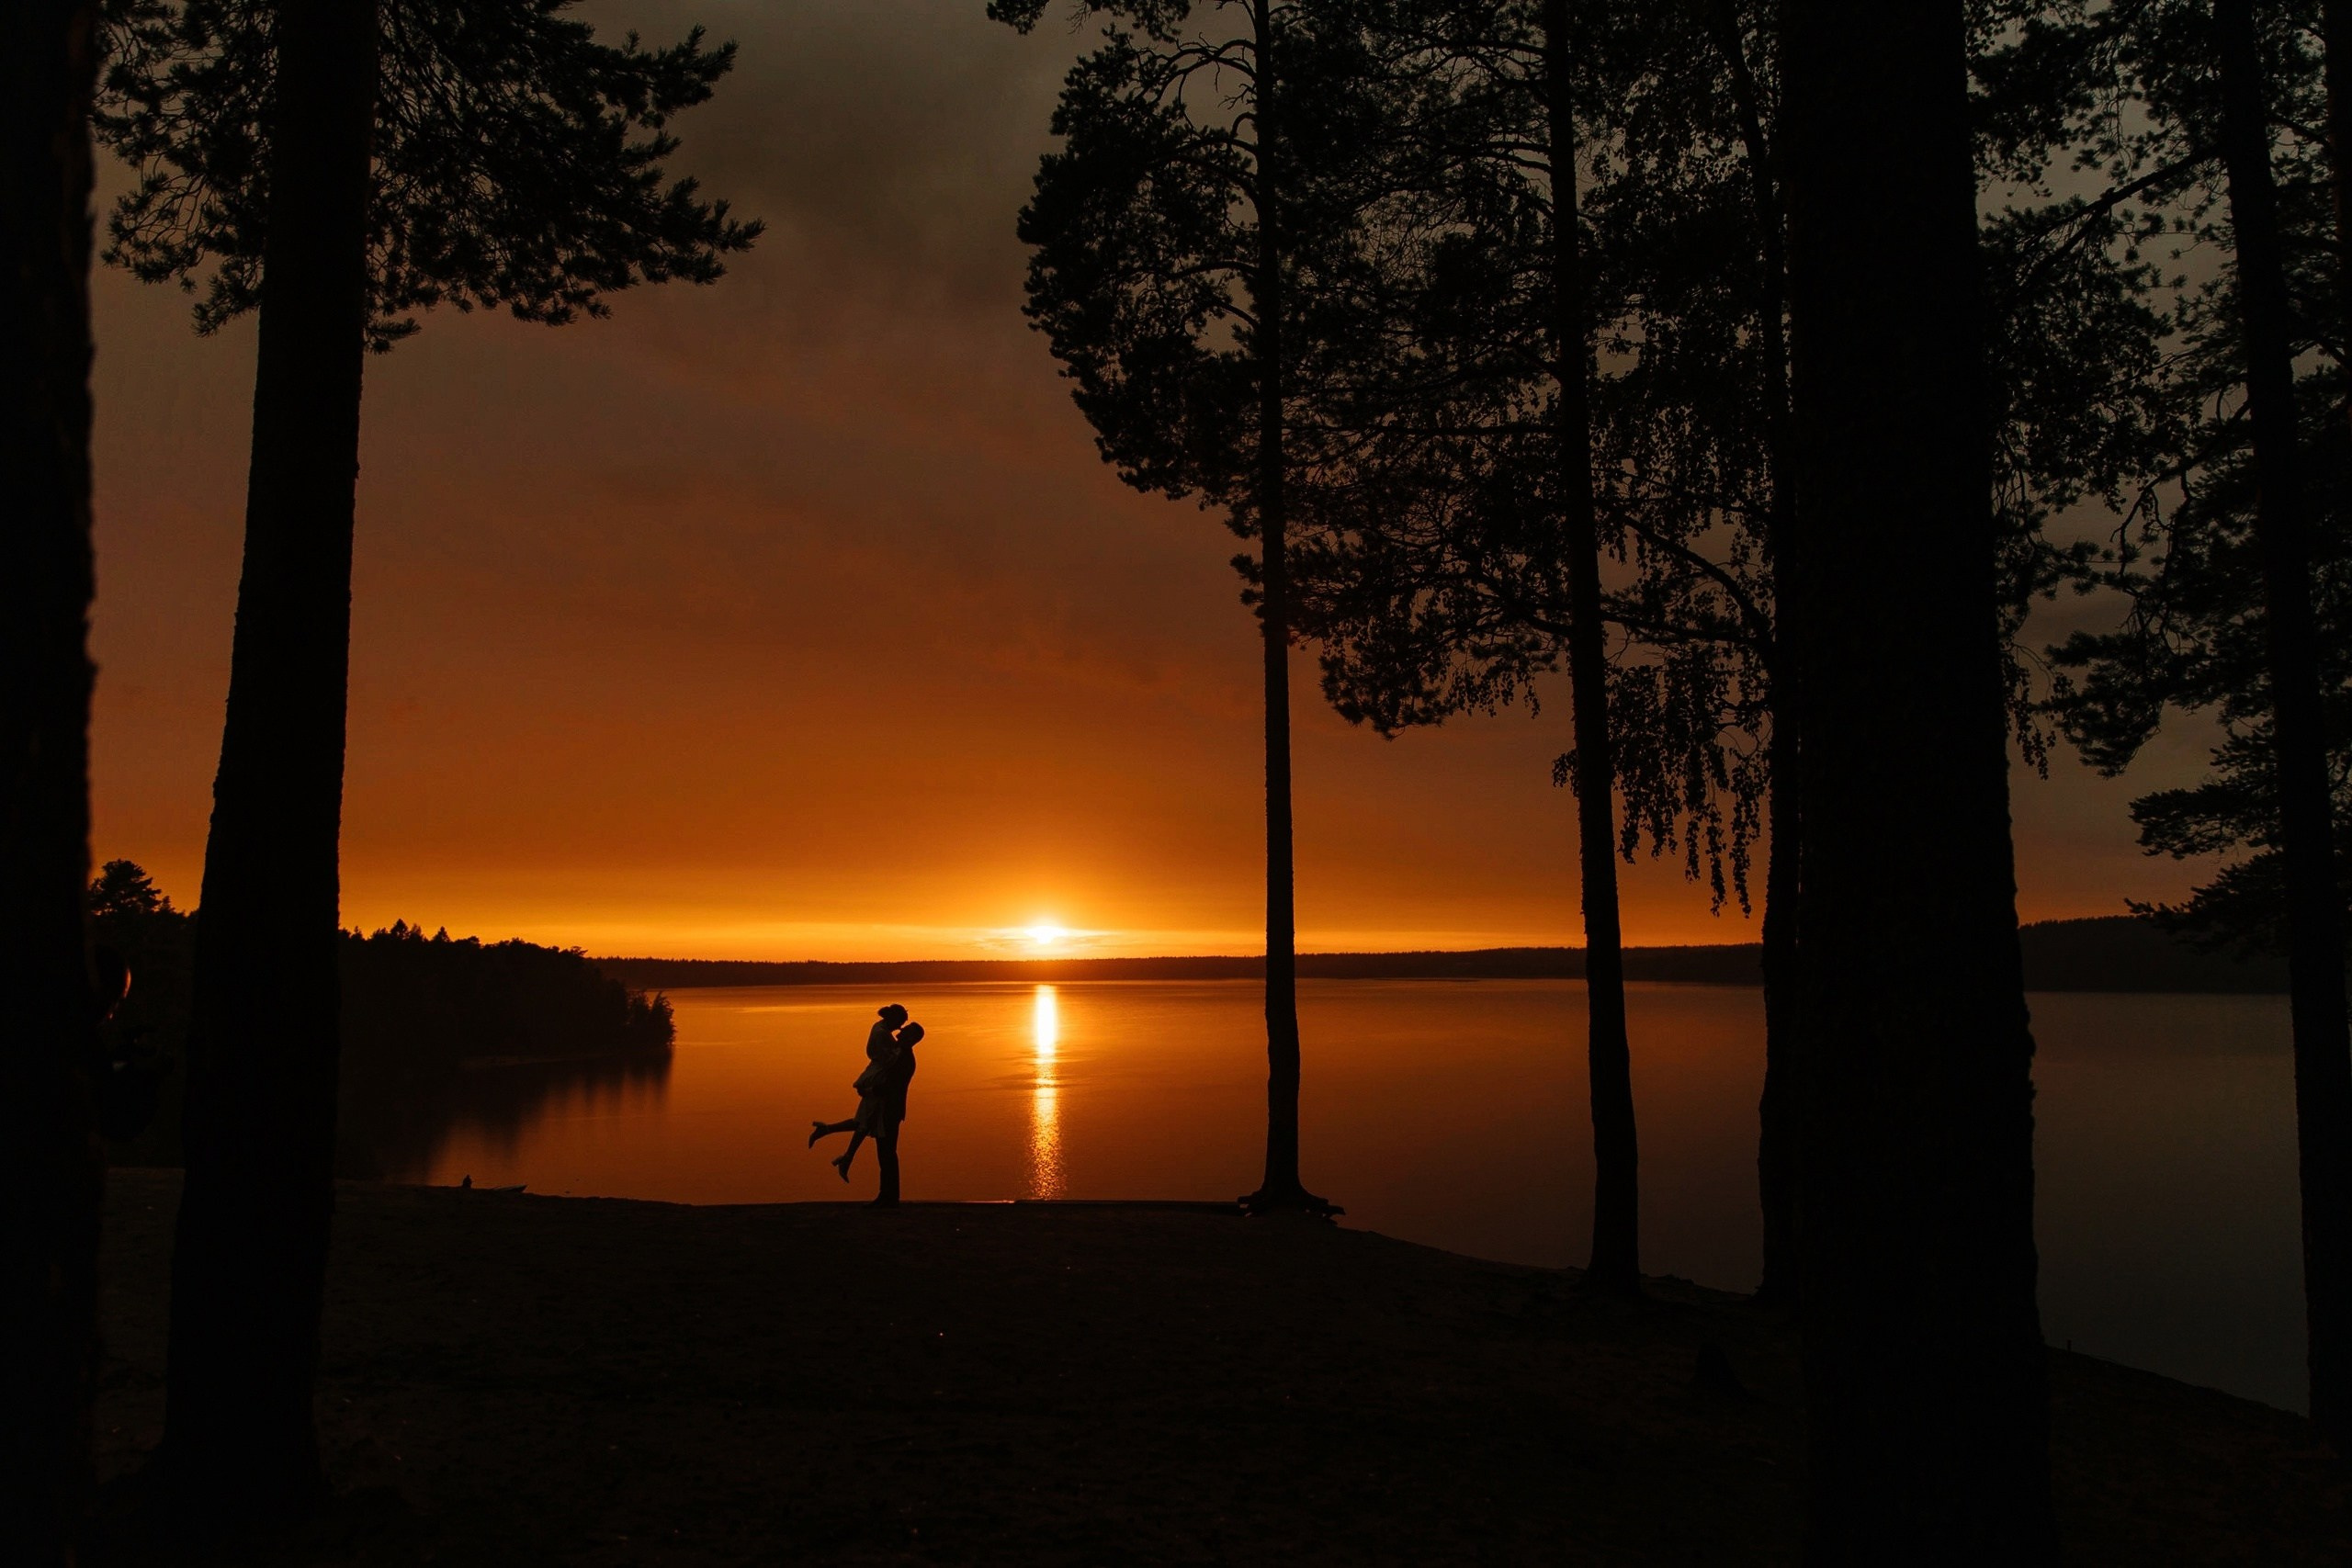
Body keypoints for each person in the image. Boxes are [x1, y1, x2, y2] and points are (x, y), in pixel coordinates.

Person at [808, 1006, 913, 1181]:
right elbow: (889, 1061)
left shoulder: (879, 1029)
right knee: (865, 1122)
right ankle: (844, 1154)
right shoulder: (882, 1034)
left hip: (875, 1075)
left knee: (864, 1121)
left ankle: (832, 1138)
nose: (900, 1028)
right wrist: (898, 1049)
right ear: (894, 1018)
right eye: (900, 1023)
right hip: (876, 1077)